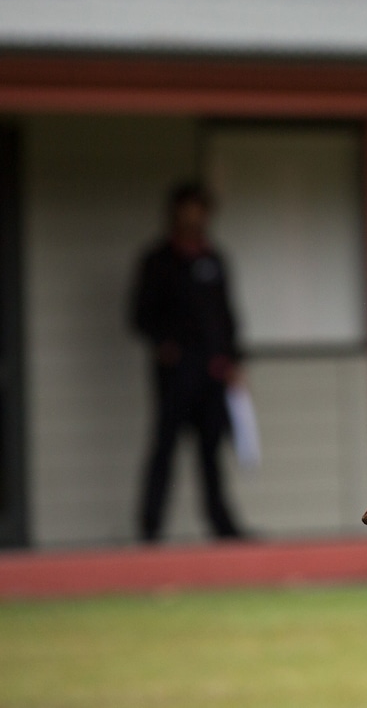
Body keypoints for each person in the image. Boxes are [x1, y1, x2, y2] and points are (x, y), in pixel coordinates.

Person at [131, 181, 244, 542]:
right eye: (188, 209)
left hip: (213, 371)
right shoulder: (158, 261)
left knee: (211, 453)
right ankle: (150, 528)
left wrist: (233, 361)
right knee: (165, 449)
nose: (195, 217)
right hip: (176, 373)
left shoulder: (214, 259)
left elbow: (228, 317)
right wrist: (166, 345)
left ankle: (222, 526)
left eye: (201, 209)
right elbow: (139, 316)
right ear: (175, 212)